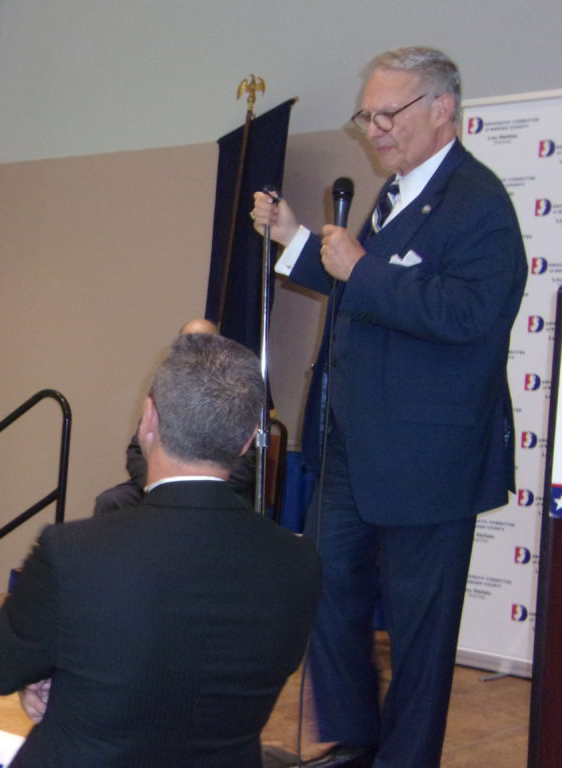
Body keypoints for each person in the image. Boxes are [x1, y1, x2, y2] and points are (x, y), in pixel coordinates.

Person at [251, 47, 526, 768]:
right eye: (365, 115)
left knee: (419, 638)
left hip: (430, 461)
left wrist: (364, 269)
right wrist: (294, 240)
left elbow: (472, 313)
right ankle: (356, 744)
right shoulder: (398, 192)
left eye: (386, 114)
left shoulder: (479, 202)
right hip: (353, 447)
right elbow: (362, 289)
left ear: (443, 109)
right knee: (326, 592)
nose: (373, 130)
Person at [0, 333, 321, 767]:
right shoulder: (298, 562)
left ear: (149, 418)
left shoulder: (72, 552)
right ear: (248, 441)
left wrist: (51, 678)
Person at [93, 318, 255, 515]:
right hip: (159, 486)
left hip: (217, 491)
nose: (196, 349)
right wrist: (159, 486)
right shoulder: (163, 389)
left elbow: (247, 463)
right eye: (189, 342)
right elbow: (136, 451)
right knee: (111, 501)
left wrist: (191, 491)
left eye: (205, 341)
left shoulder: (237, 390)